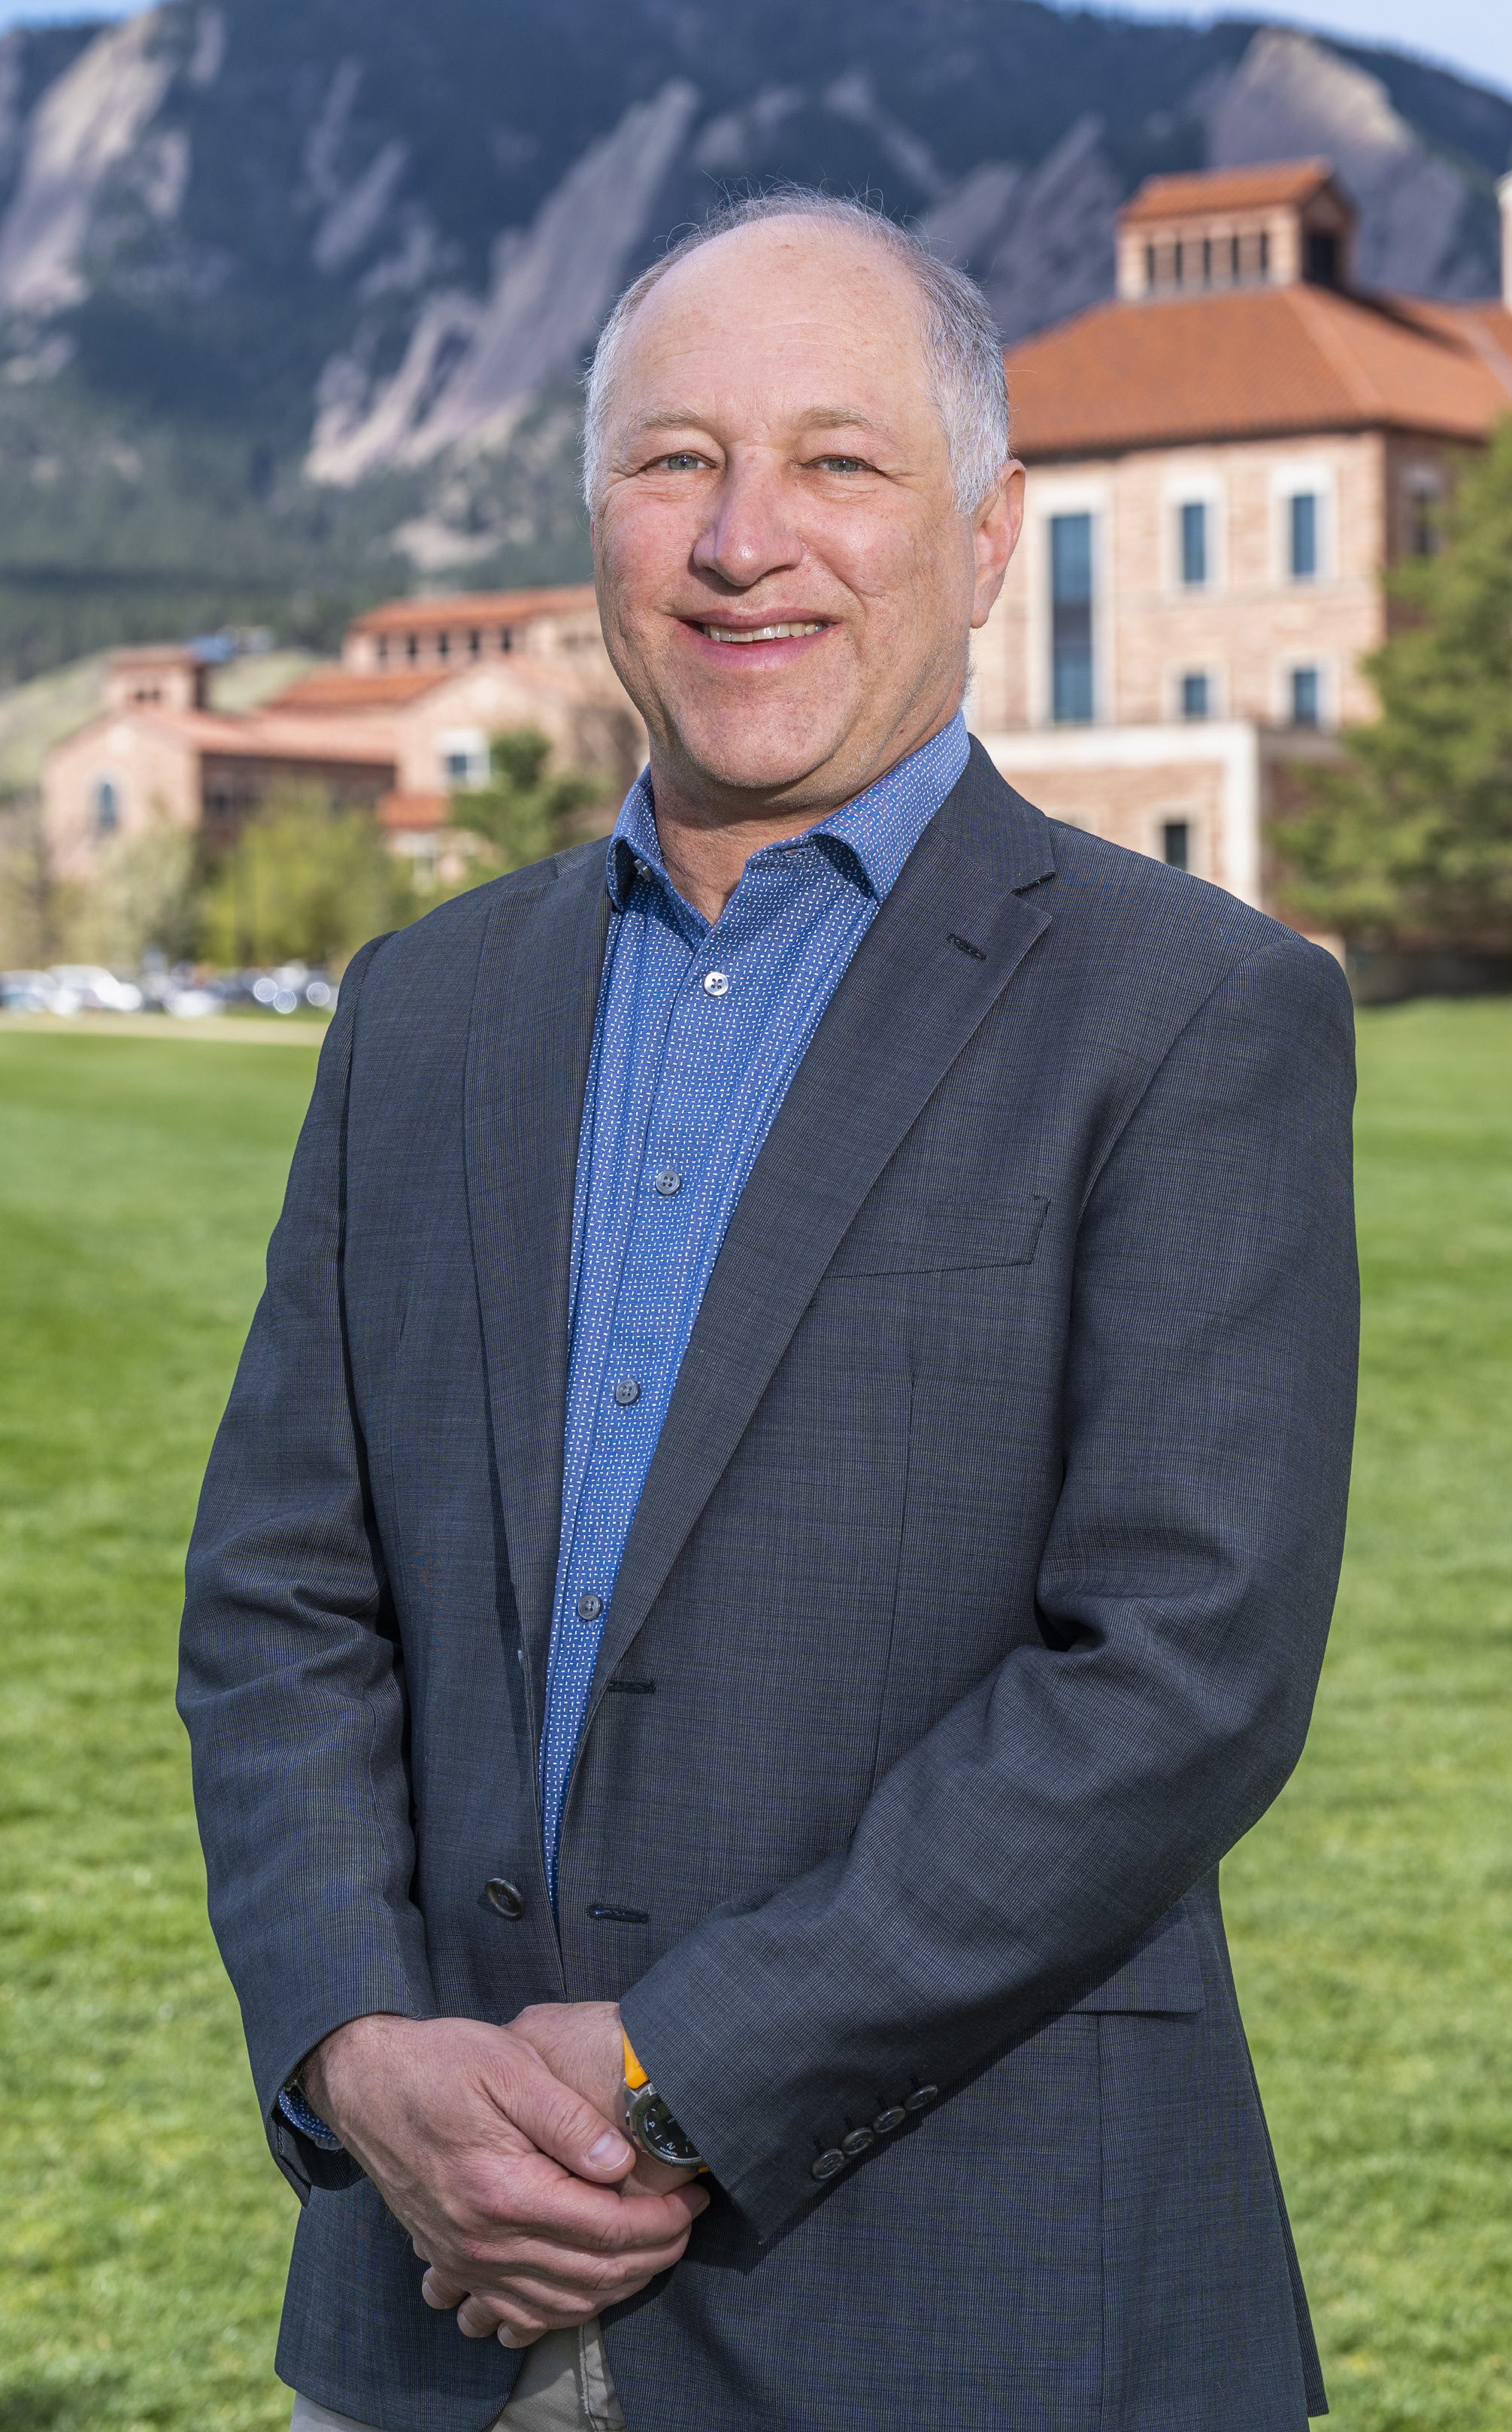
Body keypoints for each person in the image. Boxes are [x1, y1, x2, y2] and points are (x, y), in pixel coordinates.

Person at [179, 191, 1359, 2432]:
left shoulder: (1189, 1011)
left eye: (838, 462)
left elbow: (1176, 1675)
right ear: (595, 520)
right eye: (672, 463)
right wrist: (358, 2045)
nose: (744, 541)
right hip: (433, 2303)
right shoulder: (427, 1009)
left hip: (972, 2313)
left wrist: (671, 2074)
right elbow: (279, 1600)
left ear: (990, 532)